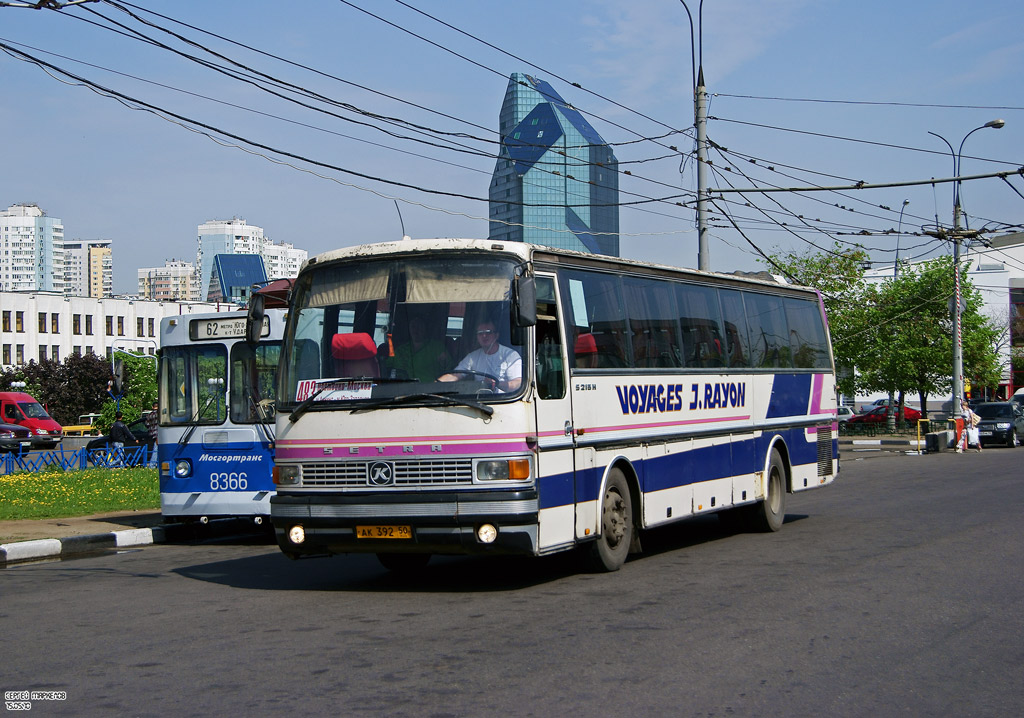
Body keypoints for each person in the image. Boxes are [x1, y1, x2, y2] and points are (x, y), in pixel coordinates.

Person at [439, 319, 522, 392]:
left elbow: (518, 383)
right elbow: (455, 375)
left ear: (497, 335)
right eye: (480, 333)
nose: (484, 336)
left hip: (505, 402)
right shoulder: (472, 357)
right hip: (479, 401)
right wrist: (435, 385)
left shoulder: (510, 355)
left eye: (488, 332)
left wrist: (496, 384)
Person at [387, 314, 450, 383]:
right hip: (399, 391)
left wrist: (444, 363)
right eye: (413, 326)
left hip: (429, 390)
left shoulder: (437, 347)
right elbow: (386, 368)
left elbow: (451, 370)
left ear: (425, 328)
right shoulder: (400, 350)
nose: (416, 330)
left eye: (419, 326)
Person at [144, 401, 159, 468]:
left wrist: (151, 428)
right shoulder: (160, 414)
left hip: (152, 433)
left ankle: (155, 464)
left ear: (153, 407)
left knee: (156, 449)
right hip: (159, 433)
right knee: (156, 449)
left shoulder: (148, 415)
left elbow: (146, 424)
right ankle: (152, 465)